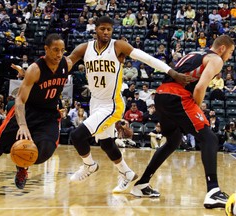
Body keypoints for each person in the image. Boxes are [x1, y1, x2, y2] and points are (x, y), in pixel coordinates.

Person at [67, 16, 190, 193]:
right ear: (96, 29)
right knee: (106, 143)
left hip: (112, 104)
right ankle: (127, 173)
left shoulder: (118, 46)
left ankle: (89, 165)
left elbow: (146, 58)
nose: (106, 32)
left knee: (77, 136)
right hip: (95, 102)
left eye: (109, 29)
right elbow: (67, 63)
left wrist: (173, 72)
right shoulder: (84, 48)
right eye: (102, 29)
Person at [0, 34, 74, 194]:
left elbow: (80, 52)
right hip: (26, 111)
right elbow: (20, 100)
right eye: (55, 50)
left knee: (44, 152)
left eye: (62, 50)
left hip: (48, 115)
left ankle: (22, 165)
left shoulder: (66, 64)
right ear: (46, 49)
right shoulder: (35, 69)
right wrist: (22, 125)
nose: (59, 54)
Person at [130, 35, 234, 209]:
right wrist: (197, 109)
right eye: (231, 52)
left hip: (161, 94)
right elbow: (200, 87)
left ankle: (142, 184)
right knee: (210, 138)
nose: (230, 57)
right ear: (222, 48)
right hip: (177, 96)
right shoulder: (216, 59)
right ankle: (213, 191)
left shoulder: (195, 53)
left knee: (173, 141)